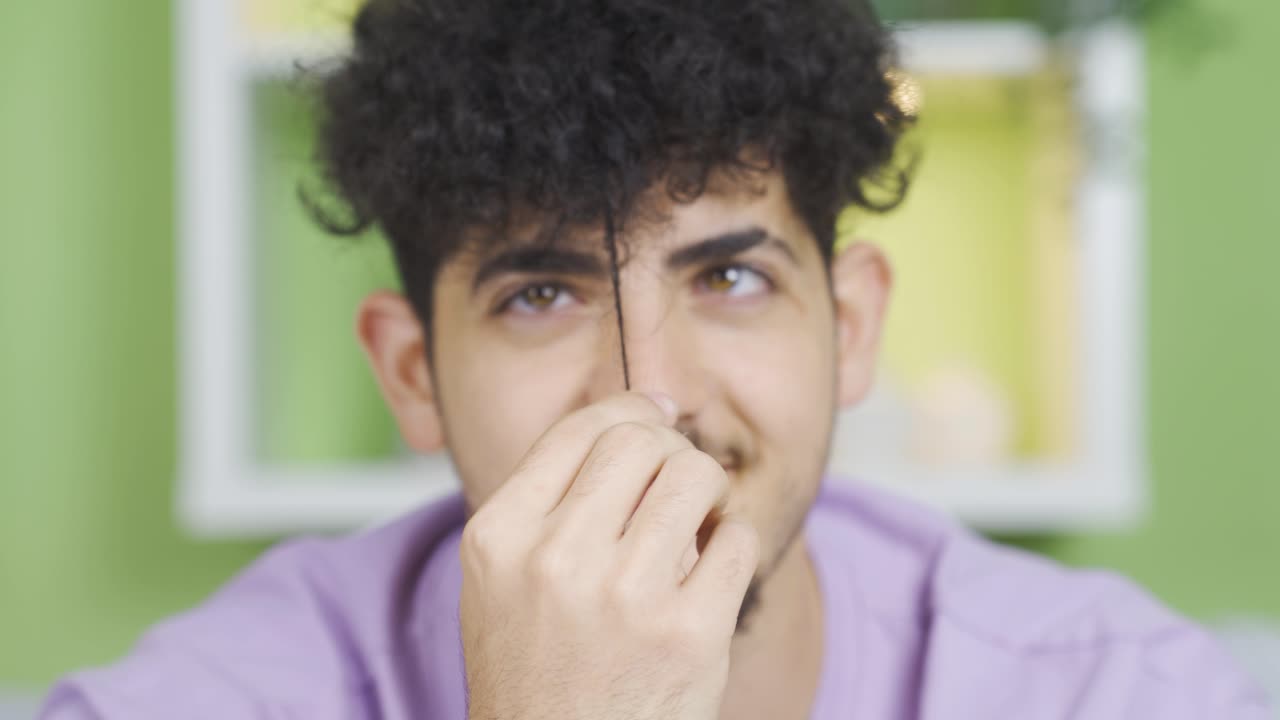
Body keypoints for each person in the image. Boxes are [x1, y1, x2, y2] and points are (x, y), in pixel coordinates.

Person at [40, 0, 1270, 717]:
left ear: (848, 328)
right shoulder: (218, 699)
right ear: (412, 372)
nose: (654, 398)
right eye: (537, 293)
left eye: (729, 277)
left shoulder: (1113, 693)